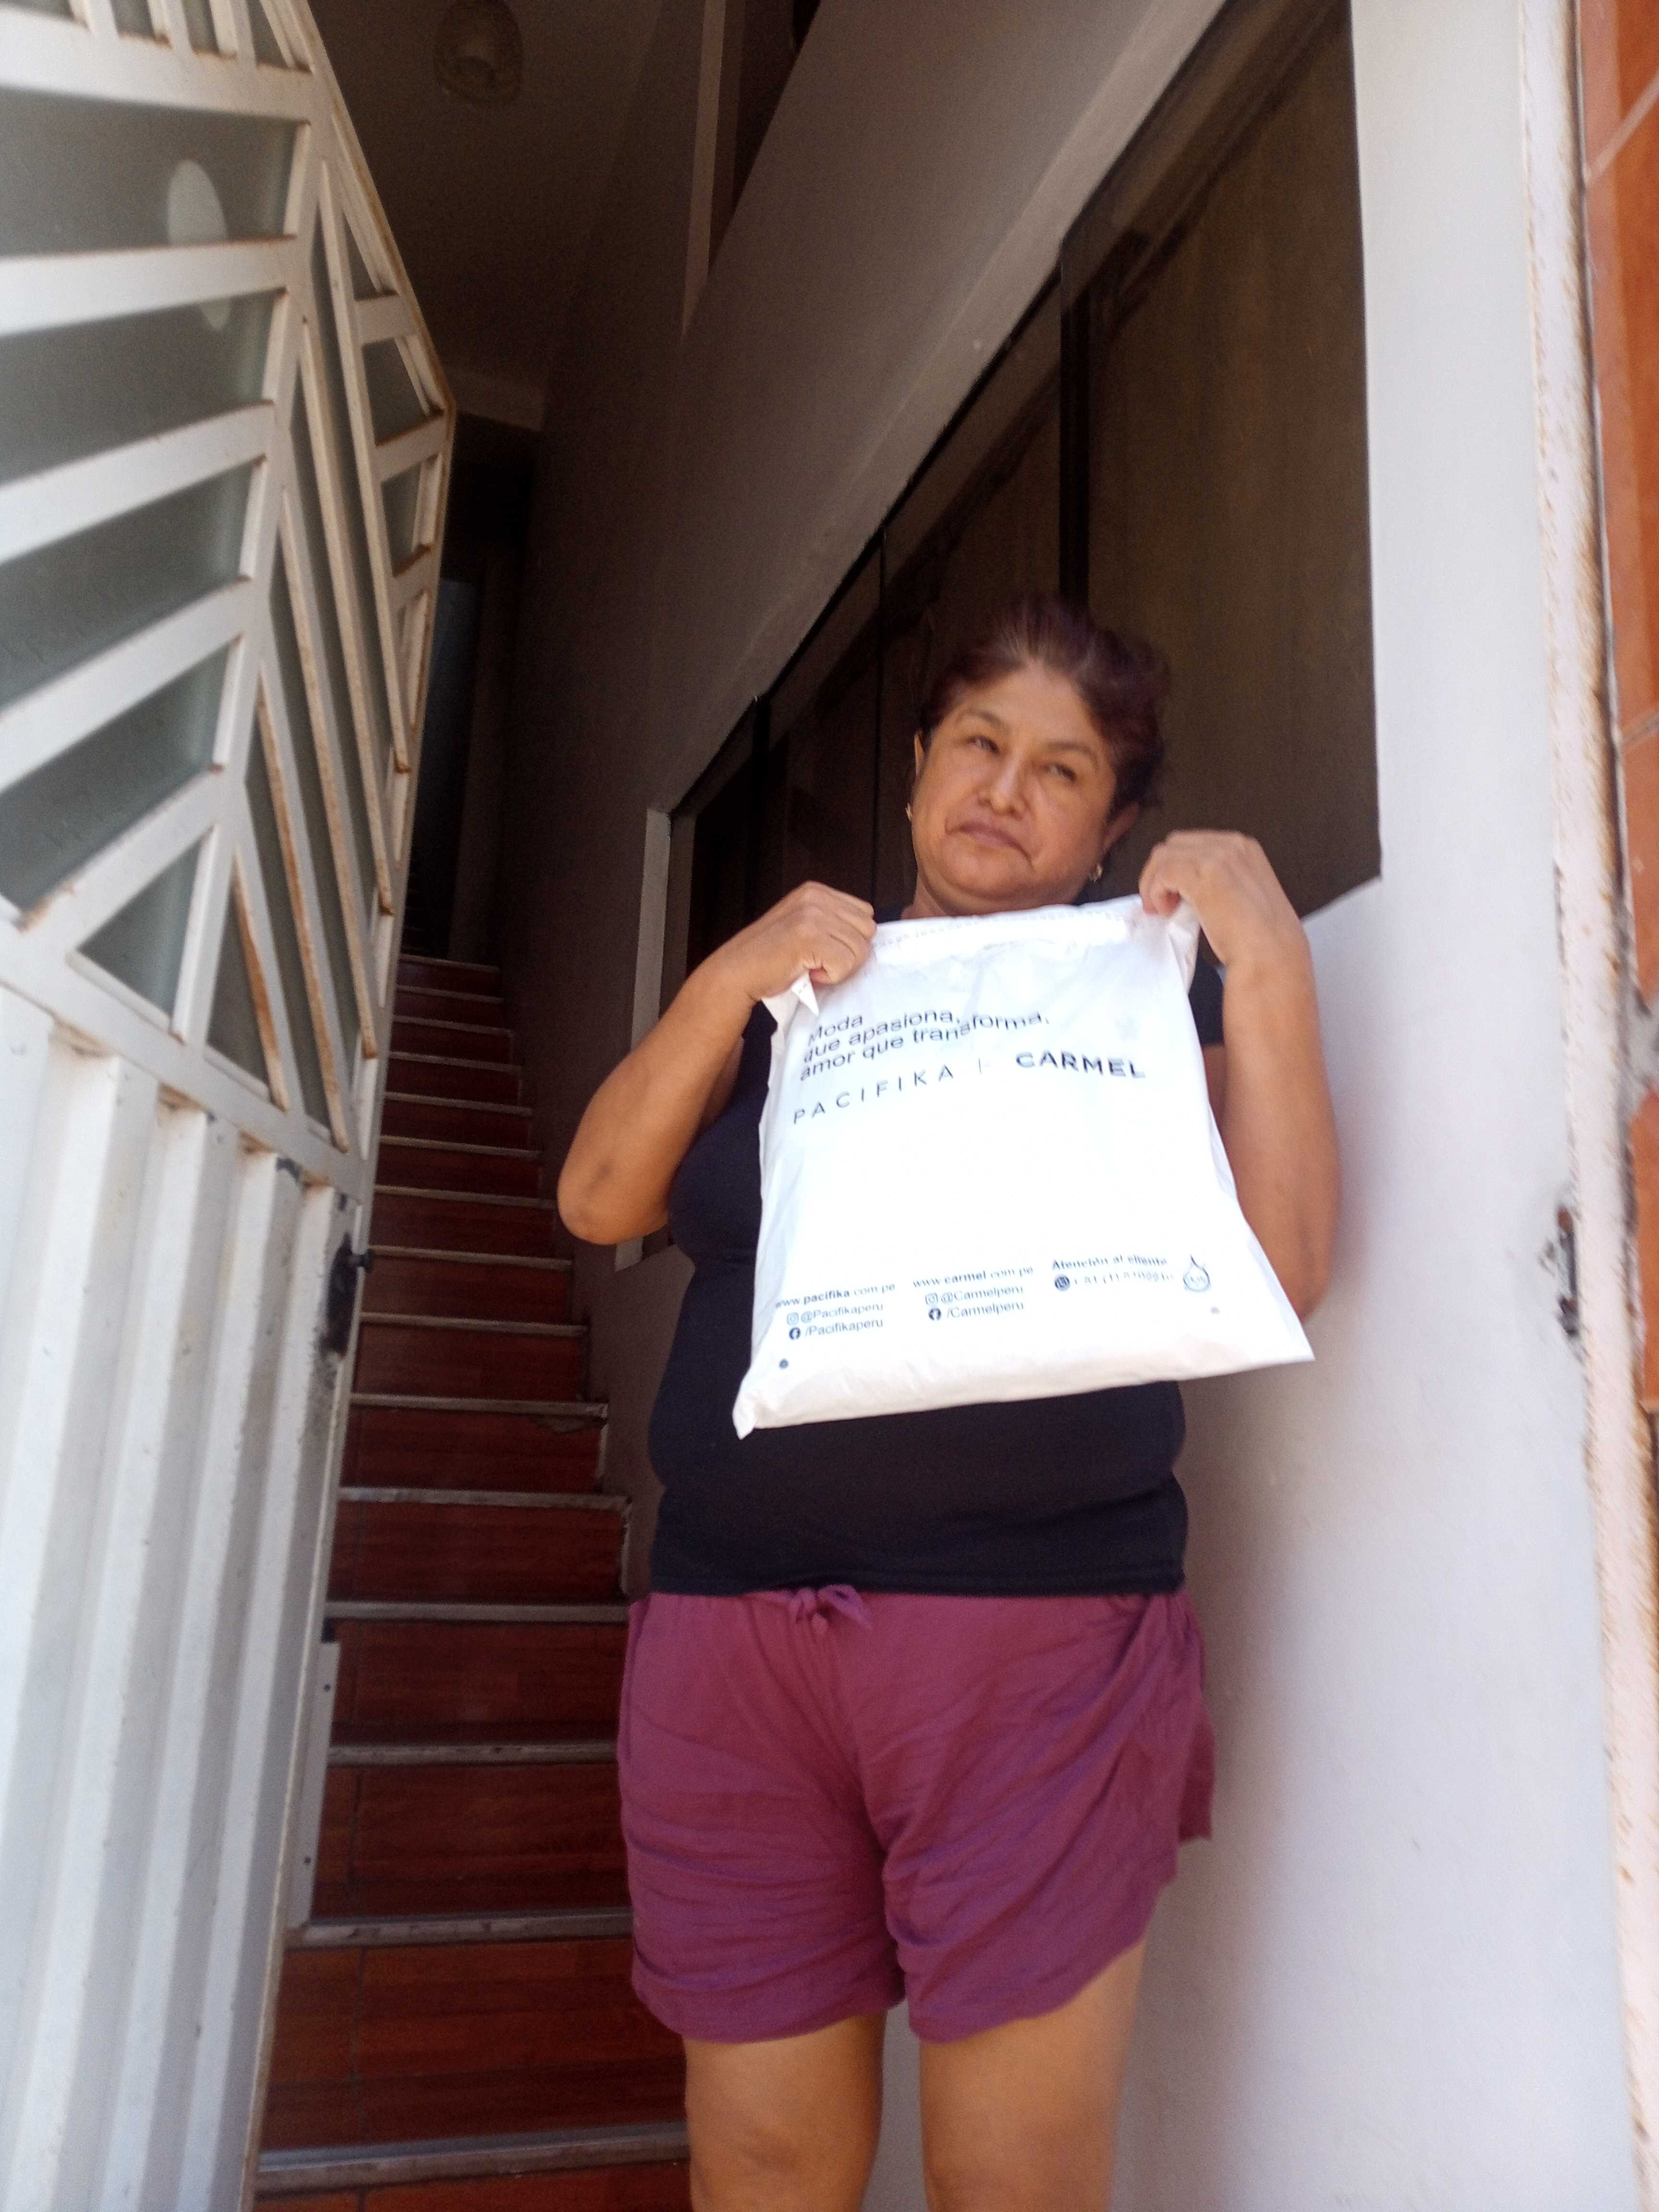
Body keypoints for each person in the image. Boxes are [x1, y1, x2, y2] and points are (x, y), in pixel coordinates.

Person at [558, 595, 1338, 2212]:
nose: (1006, 788)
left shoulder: (1143, 1000)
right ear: (917, 765)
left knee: (1014, 2177)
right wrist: (734, 974)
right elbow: (599, 1196)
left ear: (1112, 829)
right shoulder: (790, 993)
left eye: (1064, 770)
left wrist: (1265, 963)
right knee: (761, 2160)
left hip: (1034, 1641)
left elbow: (1285, 1269)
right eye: (980, 743)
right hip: (731, 1639)